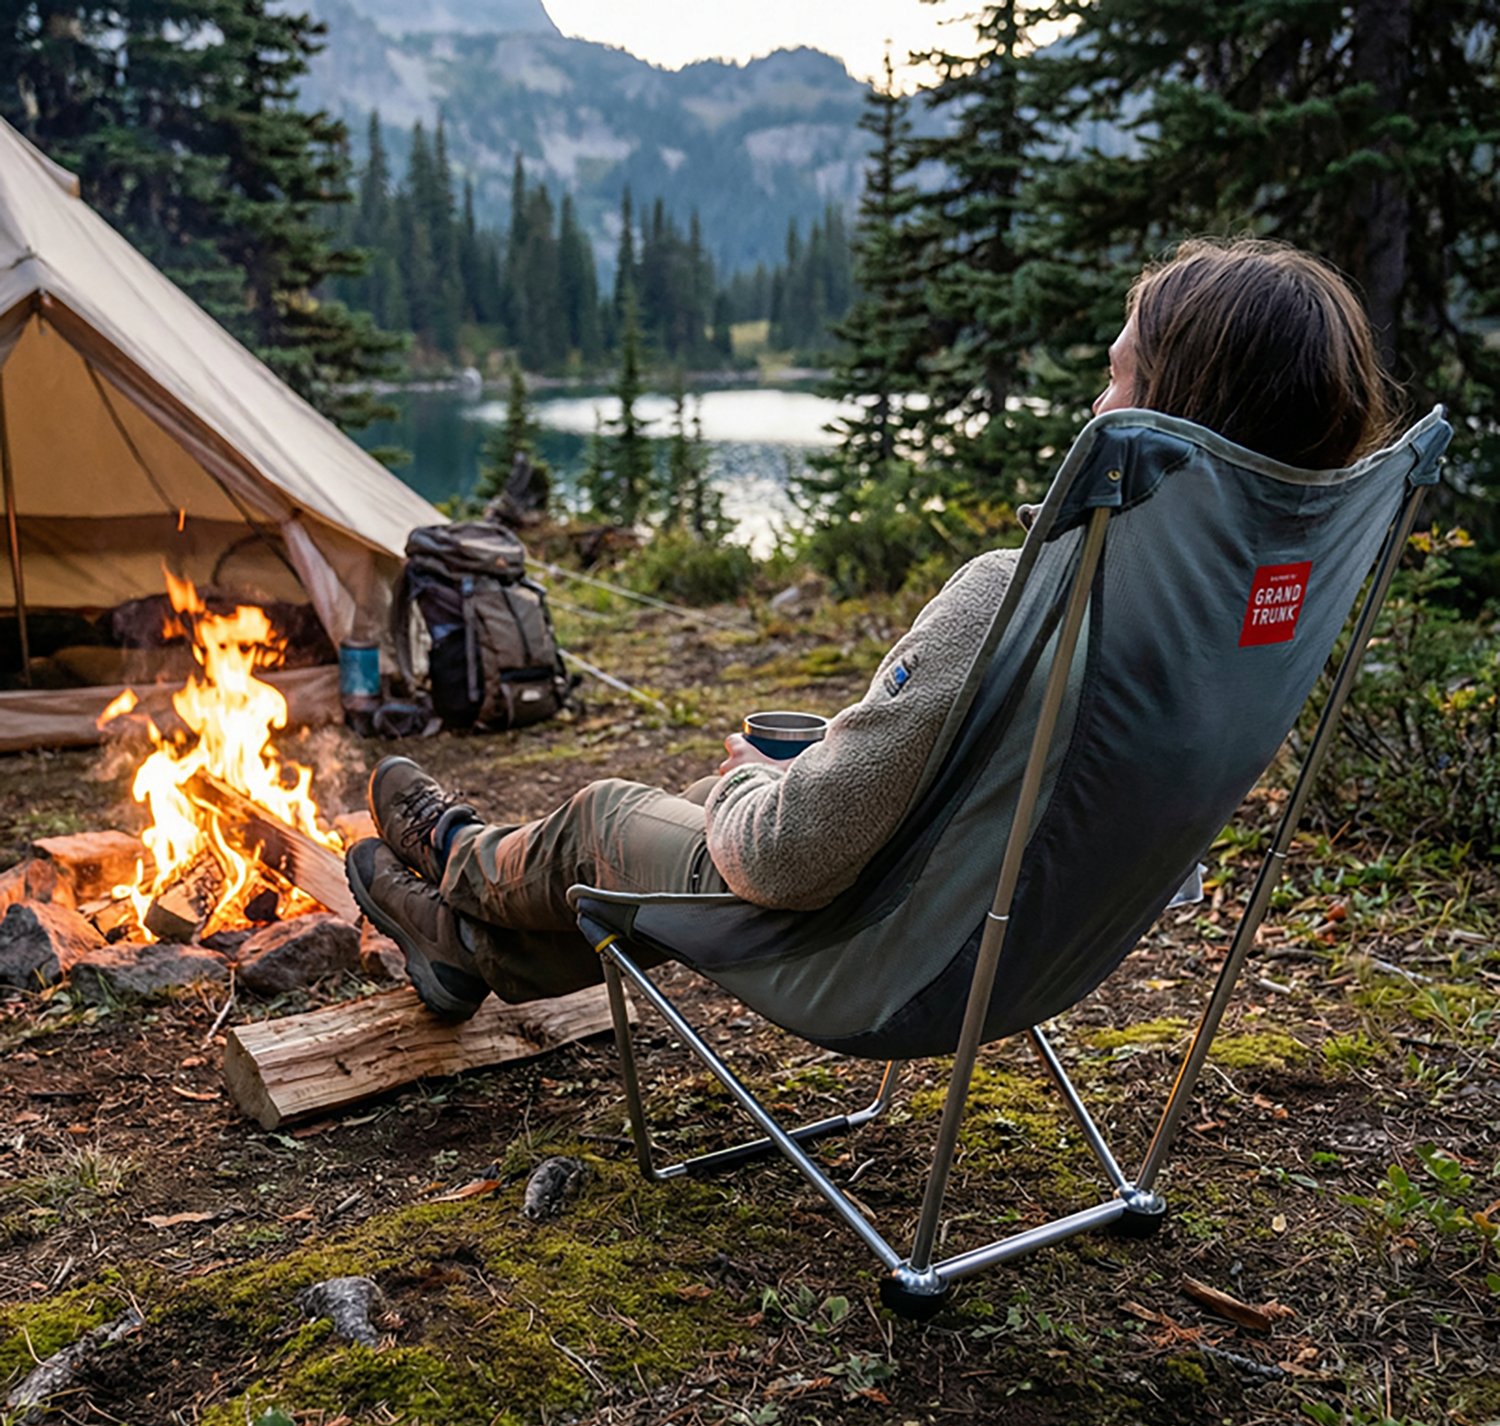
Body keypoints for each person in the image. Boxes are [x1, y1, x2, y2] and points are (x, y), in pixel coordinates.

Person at [346, 237, 1401, 1020]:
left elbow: (791, 859)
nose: (1096, 394)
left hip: (888, 958)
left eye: (1119, 376)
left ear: (1169, 417)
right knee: (705, 817)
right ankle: (463, 948)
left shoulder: (1021, 599)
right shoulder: (1251, 627)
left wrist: (759, 783)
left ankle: (451, 853)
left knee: (607, 815)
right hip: (1042, 954)